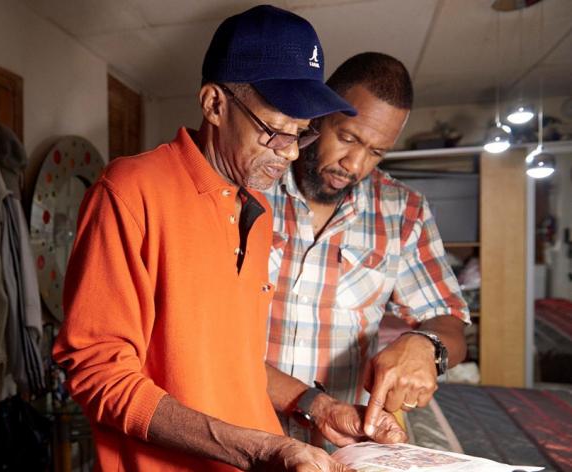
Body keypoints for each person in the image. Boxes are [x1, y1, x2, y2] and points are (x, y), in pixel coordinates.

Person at [52, 7, 406, 472]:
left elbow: (232, 362)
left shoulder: (255, 213)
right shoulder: (132, 190)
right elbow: (99, 372)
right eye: (276, 132)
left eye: (302, 133)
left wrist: (317, 407)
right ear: (214, 104)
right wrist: (258, 448)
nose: (292, 153)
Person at [263, 52, 471, 442]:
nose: (355, 165)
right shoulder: (255, 185)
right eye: (348, 138)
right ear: (319, 113)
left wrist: (426, 345)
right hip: (240, 431)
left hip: (338, 444)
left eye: (376, 152)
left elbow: (449, 320)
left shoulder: (403, 212)